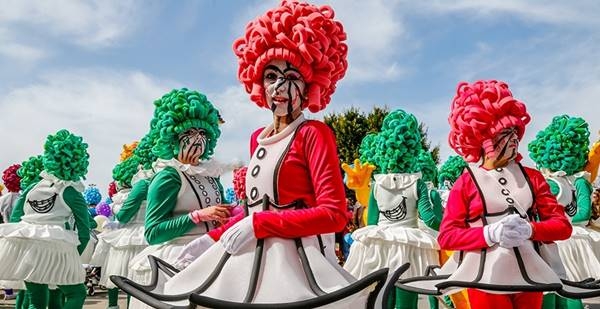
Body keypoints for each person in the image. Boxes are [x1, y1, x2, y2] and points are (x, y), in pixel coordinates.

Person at [113, 1, 388, 308]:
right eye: (271, 76)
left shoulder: (313, 134)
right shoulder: (258, 138)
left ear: (311, 82)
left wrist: (262, 224)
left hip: (296, 266)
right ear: (258, 81)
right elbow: (249, 212)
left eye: (292, 76)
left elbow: (334, 215)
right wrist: (212, 238)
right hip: (246, 261)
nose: (280, 86)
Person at [395, 80, 580, 309]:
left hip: (533, 277)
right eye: (504, 132)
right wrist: (489, 234)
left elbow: (562, 226)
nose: (514, 138)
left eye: (515, 131)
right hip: (483, 278)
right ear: (481, 138)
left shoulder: (533, 177)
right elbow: (448, 237)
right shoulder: (465, 183)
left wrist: (531, 230)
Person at [126, 88, 231, 309]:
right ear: (173, 136)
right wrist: (196, 216)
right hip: (176, 262)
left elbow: (219, 214)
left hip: (212, 255)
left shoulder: (211, 175)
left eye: (203, 133)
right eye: (190, 132)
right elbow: (153, 233)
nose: (197, 139)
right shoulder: (169, 176)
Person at [343, 109, 441, 309]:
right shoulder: (418, 183)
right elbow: (430, 219)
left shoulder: (377, 184)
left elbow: (371, 222)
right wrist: (440, 209)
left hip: (380, 247)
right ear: (413, 148)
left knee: (381, 300)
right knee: (408, 302)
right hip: (410, 248)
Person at [0, 129, 91, 309]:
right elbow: (85, 233)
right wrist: (72, 257)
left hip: (27, 247)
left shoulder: (32, 187)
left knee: (37, 301)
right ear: (78, 163)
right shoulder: (72, 192)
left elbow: (17, 218)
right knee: (77, 293)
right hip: (57, 250)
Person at [528, 115, 600, 309]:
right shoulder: (580, 180)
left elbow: (583, 213)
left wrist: (560, 221)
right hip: (578, 238)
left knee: (567, 289)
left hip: (566, 242)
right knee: (572, 290)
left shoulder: (551, 183)